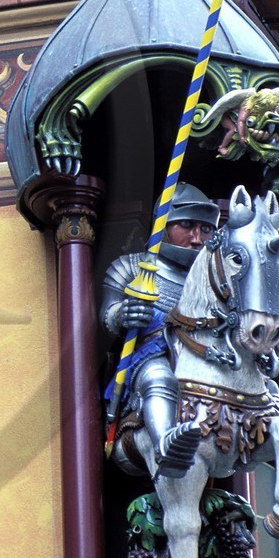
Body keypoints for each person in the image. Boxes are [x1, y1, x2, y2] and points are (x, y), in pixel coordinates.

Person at [99, 183, 219, 478]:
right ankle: (166, 444)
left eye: (205, 230)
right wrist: (122, 315)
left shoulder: (216, 282)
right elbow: (106, 316)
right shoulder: (131, 268)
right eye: (188, 225)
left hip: (205, 361)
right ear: (163, 223)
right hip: (154, 355)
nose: (196, 238)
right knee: (159, 378)